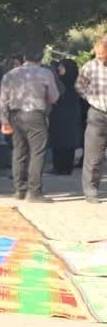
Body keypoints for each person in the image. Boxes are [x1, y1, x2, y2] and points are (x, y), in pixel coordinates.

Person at [0, 45, 60, 203]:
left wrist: (4, 120)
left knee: (19, 152)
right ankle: (34, 192)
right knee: (37, 153)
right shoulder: (45, 73)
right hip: (36, 115)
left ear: (24, 57)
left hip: (16, 115)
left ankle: (19, 190)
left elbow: (3, 100)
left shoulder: (10, 74)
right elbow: (54, 97)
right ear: (41, 58)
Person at [75, 34, 107, 203]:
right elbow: (79, 85)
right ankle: (91, 190)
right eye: (98, 54)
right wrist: (89, 98)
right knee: (94, 156)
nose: (100, 57)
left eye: (103, 54)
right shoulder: (90, 66)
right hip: (97, 114)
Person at [49, 58, 81, 176]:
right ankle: (60, 166)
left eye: (61, 67)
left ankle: (64, 167)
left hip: (67, 113)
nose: (59, 69)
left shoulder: (70, 82)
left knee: (66, 141)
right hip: (62, 114)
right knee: (60, 139)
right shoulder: (61, 80)